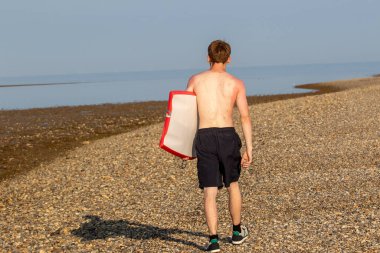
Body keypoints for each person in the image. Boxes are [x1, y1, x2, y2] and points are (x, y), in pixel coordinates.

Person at [186, 40, 252, 252]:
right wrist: (249, 148)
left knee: (210, 190)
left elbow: (185, 114)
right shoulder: (236, 83)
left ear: (208, 57)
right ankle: (236, 232)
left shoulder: (196, 80)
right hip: (227, 135)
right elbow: (245, 116)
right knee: (232, 184)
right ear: (229, 58)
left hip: (205, 135)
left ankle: (213, 240)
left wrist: (185, 147)